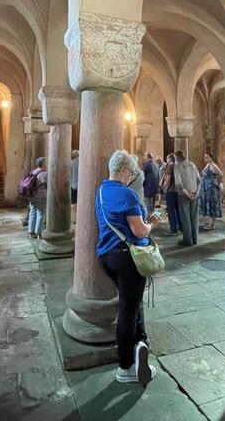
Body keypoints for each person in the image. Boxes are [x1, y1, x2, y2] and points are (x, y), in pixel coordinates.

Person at [97, 149, 162, 385]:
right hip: (128, 258)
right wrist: (152, 223)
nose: (131, 177)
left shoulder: (102, 190)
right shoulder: (127, 195)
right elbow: (140, 230)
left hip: (107, 256)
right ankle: (125, 367)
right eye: (131, 173)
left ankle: (140, 346)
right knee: (127, 311)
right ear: (123, 170)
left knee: (132, 303)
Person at [174, 150, 201, 247]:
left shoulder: (177, 167)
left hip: (184, 195)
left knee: (185, 218)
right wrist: (197, 193)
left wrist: (187, 194)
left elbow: (178, 184)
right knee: (194, 217)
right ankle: (195, 239)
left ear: (177, 158)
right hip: (194, 193)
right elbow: (199, 180)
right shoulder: (192, 165)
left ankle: (187, 240)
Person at [198, 152, 224, 230]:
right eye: (204, 157)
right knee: (208, 204)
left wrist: (218, 183)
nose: (205, 158)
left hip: (211, 188)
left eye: (207, 157)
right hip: (206, 188)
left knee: (212, 204)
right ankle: (210, 221)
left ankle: (212, 224)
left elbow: (220, 174)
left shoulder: (213, 165)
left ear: (211, 158)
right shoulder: (207, 165)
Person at [26, 157, 48, 239]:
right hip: (41, 196)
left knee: (32, 213)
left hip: (31, 196)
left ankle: (31, 233)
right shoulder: (44, 174)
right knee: (41, 213)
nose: (46, 164)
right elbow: (49, 185)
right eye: (45, 162)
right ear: (43, 164)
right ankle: (38, 232)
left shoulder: (33, 171)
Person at [161, 153, 180, 236]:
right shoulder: (177, 165)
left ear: (170, 159)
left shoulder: (170, 166)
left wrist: (164, 188)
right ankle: (180, 227)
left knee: (170, 210)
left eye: (167, 158)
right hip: (177, 191)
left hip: (171, 191)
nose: (166, 160)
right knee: (177, 210)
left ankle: (173, 229)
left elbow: (168, 180)